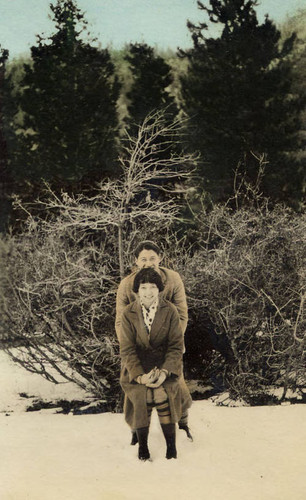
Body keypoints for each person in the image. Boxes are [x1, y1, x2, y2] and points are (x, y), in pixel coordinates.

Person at [115, 240, 192, 443]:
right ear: (136, 261)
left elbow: (182, 314)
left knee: (177, 385)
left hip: (168, 344)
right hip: (137, 345)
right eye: (143, 259)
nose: (148, 263)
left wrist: (172, 345)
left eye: (152, 258)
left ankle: (183, 423)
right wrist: (130, 348)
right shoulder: (126, 285)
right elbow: (119, 321)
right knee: (135, 386)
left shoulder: (173, 279)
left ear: (160, 259)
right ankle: (135, 431)